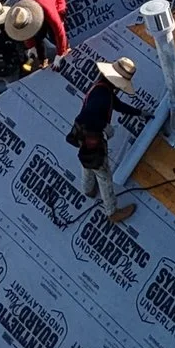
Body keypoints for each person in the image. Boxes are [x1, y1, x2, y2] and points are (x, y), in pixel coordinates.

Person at [69, 58, 138, 224]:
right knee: (104, 175)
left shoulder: (101, 88)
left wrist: (140, 113)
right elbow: (86, 116)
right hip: (93, 137)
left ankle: (87, 189)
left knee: (87, 163)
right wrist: (104, 126)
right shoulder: (103, 95)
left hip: (83, 135)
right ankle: (112, 212)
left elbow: (119, 106)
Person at [3, 0, 70, 67]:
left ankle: (67, 50)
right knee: (38, 36)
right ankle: (42, 61)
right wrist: (31, 47)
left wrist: (60, 54)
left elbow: (59, 30)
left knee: (53, 33)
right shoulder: (19, 11)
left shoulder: (47, 10)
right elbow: (25, 32)